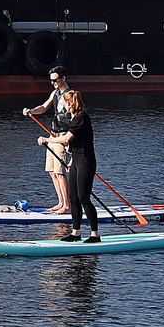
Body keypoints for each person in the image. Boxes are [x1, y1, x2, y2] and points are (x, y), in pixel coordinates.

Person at [43, 89, 100, 243]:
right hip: (75, 161)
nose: (65, 106)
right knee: (74, 198)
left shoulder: (82, 118)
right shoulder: (74, 118)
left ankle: (95, 234)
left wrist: (46, 140)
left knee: (84, 197)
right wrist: (70, 162)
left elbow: (66, 139)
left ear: (71, 103)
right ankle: (76, 232)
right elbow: (73, 143)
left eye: (67, 102)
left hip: (86, 161)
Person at [21, 65, 71, 214]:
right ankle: (60, 202)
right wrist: (31, 111)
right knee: (52, 171)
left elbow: (76, 116)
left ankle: (67, 206)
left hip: (63, 137)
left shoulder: (71, 94)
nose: (53, 83)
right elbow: (43, 107)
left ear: (63, 78)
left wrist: (70, 138)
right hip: (52, 135)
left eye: (55, 80)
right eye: (51, 81)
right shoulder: (55, 93)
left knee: (60, 171)